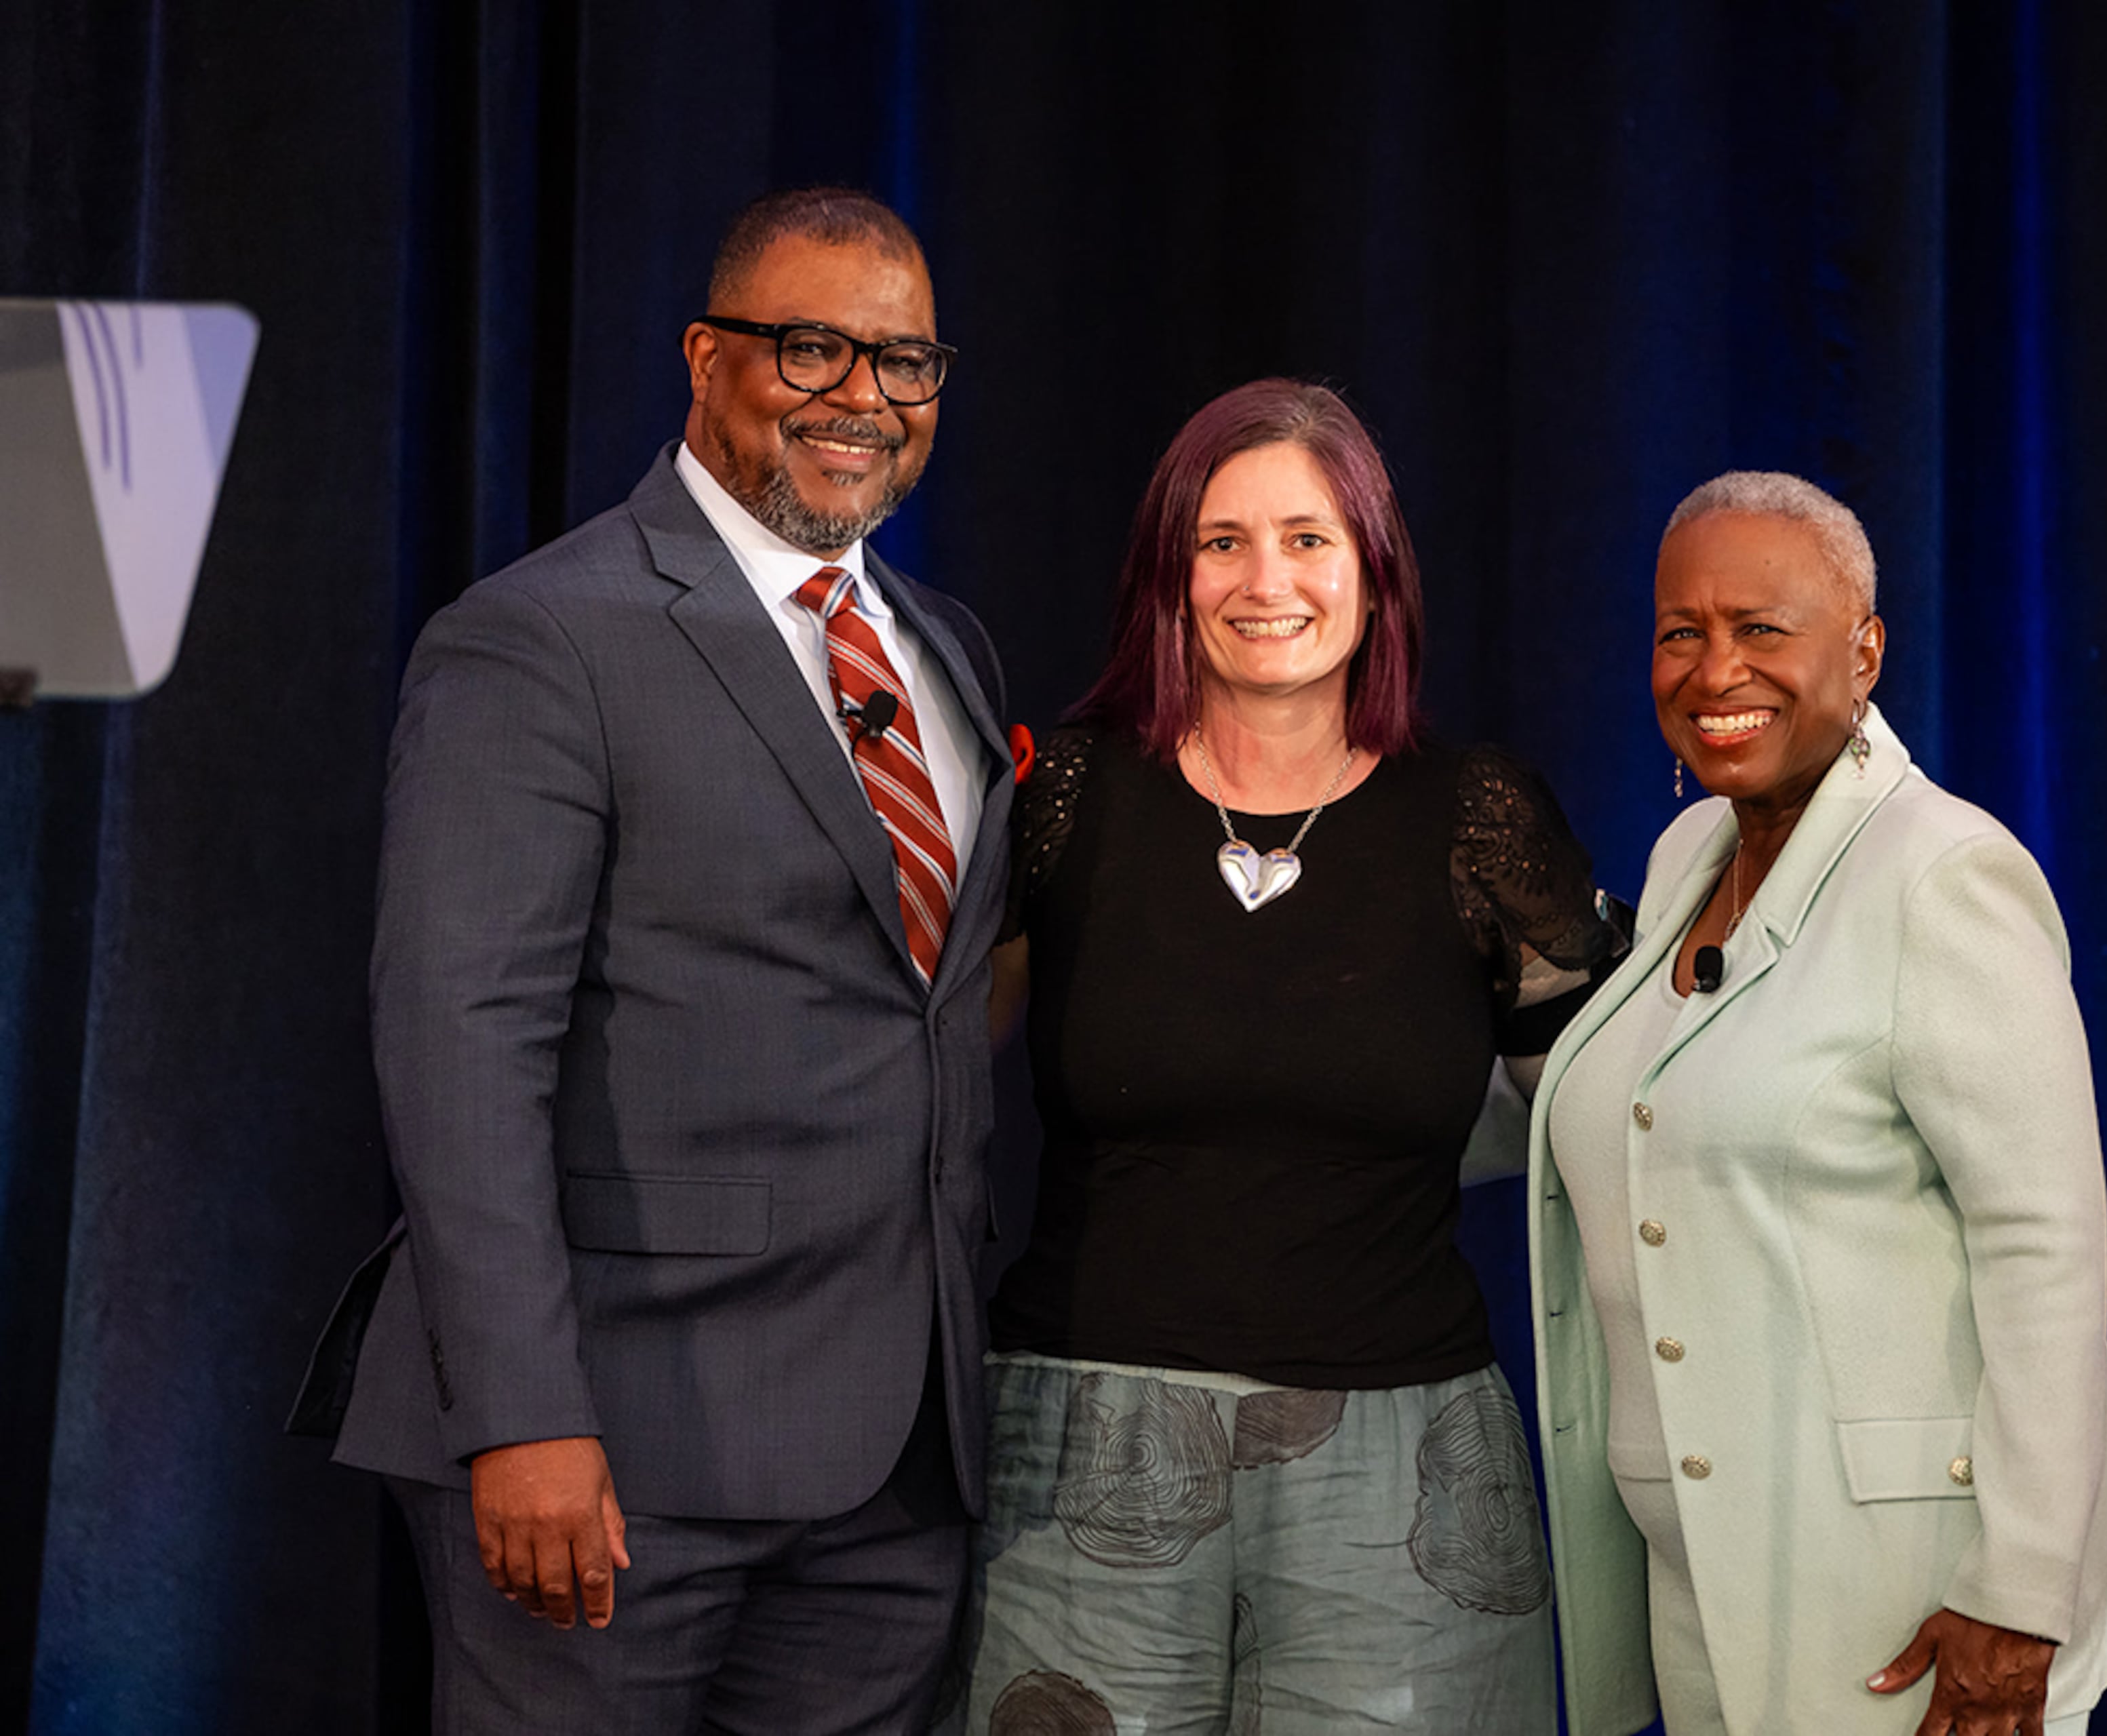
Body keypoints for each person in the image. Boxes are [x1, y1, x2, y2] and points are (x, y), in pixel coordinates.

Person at [289, 186, 1013, 1734]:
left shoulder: (943, 645)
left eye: (905, 363)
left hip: (898, 1465)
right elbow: (460, 1042)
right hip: (617, 1448)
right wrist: (525, 1415)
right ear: (705, 357)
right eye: (810, 348)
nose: (862, 400)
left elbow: (924, 1009)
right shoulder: (545, 636)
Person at [962, 379, 1622, 1735]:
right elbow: (904, 1074)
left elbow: (1620, 1121)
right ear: (1171, 571)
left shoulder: (1480, 819)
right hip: (1085, 1442)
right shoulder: (1063, 800)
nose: (1268, 578)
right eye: (1223, 541)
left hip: (1402, 1466)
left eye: (1310, 537)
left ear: (1375, 572)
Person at [1530, 472, 2107, 1735]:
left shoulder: (1946, 875)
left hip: (1909, 1596)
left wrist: (2021, 1594)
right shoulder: (1684, 856)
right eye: (1681, 631)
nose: (1717, 670)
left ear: (1863, 652)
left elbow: (2046, 1246)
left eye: (1763, 629)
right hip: (1705, 1582)